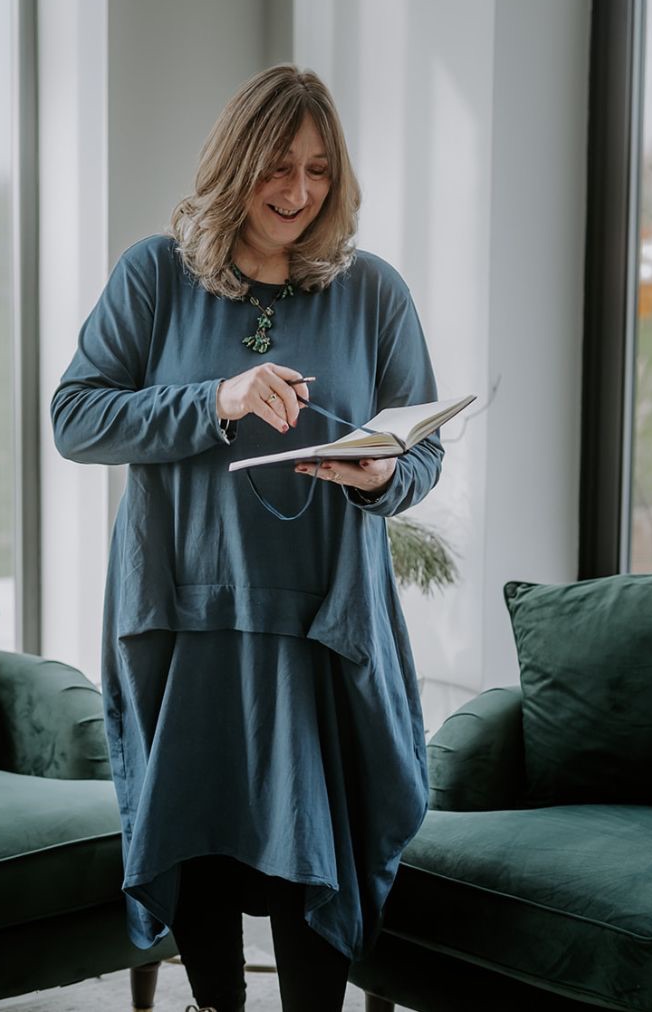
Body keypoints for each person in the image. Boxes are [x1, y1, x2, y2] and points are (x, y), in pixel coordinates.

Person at [51, 64, 444, 1012]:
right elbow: (76, 419)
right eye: (277, 165)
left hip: (323, 616)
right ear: (235, 165)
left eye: (317, 169)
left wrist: (385, 473)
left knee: (323, 842)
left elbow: (422, 455)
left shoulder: (374, 294)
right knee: (199, 831)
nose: (298, 191)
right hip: (186, 606)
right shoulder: (154, 276)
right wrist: (216, 401)